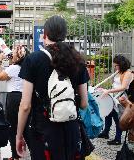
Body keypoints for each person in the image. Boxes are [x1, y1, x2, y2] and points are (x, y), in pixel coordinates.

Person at [16, 15, 89, 160]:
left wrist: (19, 135)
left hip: (43, 131)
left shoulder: (33, 59)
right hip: (71, 129)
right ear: (64, 34)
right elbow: (84, 103)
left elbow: (25, 105)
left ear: (45, 34)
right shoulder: (78, 60)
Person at [0, 46, 30, 160]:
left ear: (18, 57)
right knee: (24, 128)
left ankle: (16, 156)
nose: (11, 54)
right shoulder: (25, 67)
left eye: (13, 53)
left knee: (13, 127)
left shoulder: (14, 68)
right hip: (25, 96)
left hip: (14, 98)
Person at [98, 55, 134, 145]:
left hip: (121, 98)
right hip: (114, 96)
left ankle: (118, 138)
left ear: (121, 64)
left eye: (116, 65)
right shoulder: (119, 72)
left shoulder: (128, 73)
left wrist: (108, 91)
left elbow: (124, 87)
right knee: (108, 114)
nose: (115, 67)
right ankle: (106, 132)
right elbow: (115, 84)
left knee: (117, 118)